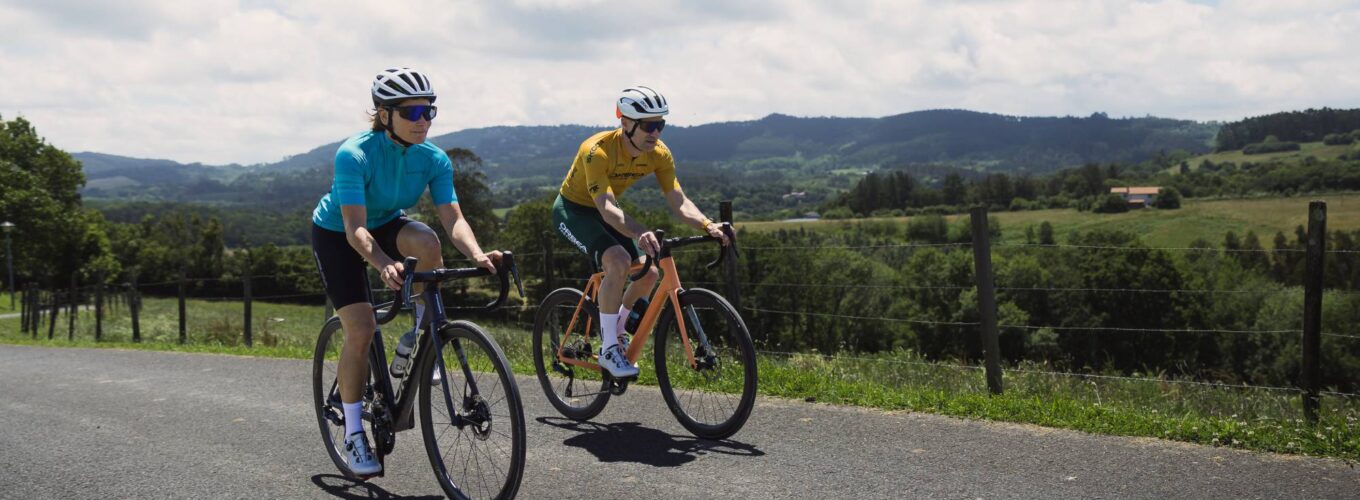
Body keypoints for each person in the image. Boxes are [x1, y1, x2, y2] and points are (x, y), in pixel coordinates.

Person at [311, 67, 500, 477]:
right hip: (339, 233)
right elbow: (355, 229)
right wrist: (383, 264)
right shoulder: (354, 154)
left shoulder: (433, 158)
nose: (422, 120)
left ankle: (419, 336)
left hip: (385, 222)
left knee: (428, 242)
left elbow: (453, 219)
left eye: (428, 111)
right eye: (411, 112)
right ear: (384, 115)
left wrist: (478, 253)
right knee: (361, 329)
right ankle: (354, 433)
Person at [553, 85, 729, 379]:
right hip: (574, 211)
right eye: (648, 125)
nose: (655, 132)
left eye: (660, 124)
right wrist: (640, 232)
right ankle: (609, 347)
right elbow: (606, 207)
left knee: (649, 273)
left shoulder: (659, 154)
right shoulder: (596, 151)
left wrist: (708, 225)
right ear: (625, 122)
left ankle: (618, 330)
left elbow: (679, 201)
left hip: (609, 211)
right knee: (618, 261)